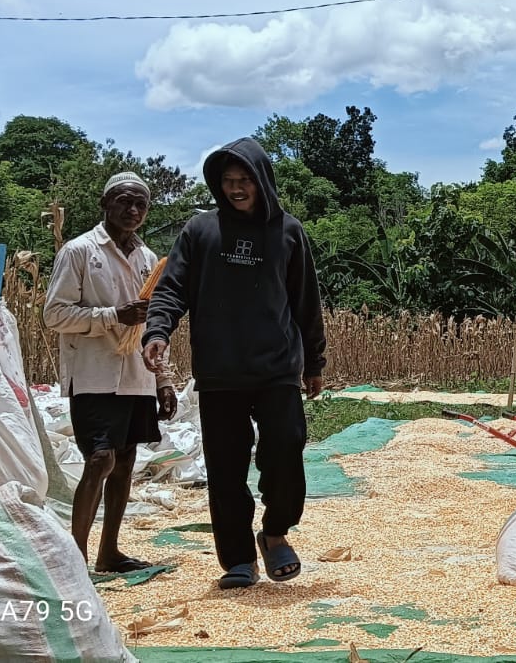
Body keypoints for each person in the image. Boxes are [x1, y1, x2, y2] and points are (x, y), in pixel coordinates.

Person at [142, 138, 327, 590]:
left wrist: (314, 362)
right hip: (219, 371)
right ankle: (239, 559)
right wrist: (158, 331)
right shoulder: (200, 230)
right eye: (228, 180)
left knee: (286, 451)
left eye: (245, 179)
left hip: (277, 368)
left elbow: (306, 301)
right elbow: (171, 288)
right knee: (225, 469)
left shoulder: (288, 231)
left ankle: (275, 533)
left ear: (262, 181)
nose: (236, 188)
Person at [44, 172, 177, 572]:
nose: (133, 210)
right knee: (99, 458)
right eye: (124, 201)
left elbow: (153, 326)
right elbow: (55, 314)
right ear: (105, 204)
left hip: (137, 375)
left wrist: (164, 380)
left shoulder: (149, 259)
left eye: (141, 204)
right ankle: (76, 557)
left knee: (124, 462)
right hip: (93, 373)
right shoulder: (80, 251)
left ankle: (109, 553)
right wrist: (113, 315)